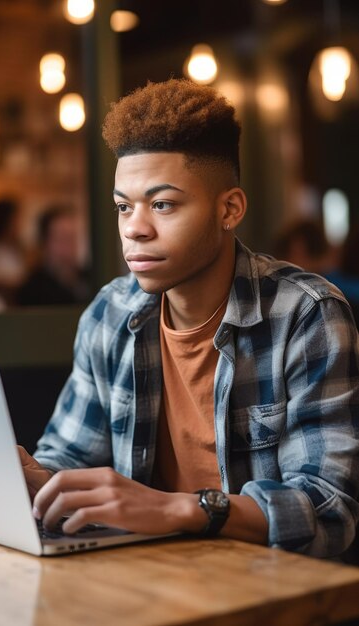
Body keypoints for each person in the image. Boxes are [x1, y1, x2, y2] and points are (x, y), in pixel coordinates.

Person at [19, 79, 359, 559]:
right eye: (123, 206)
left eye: (162, 204)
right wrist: (35, 478)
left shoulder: (306, 315)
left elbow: (329, 508)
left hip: (267, 591)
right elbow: (71, 457)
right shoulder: (109, 313)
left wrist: (180, 509)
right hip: (145, 580)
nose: (135, 227)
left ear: (229, 209)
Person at [17, 206, 91, 306]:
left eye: (72, 238)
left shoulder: (90, 279)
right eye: (62, 239)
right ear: (44, 243)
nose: (69, 246)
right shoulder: (33, 291)